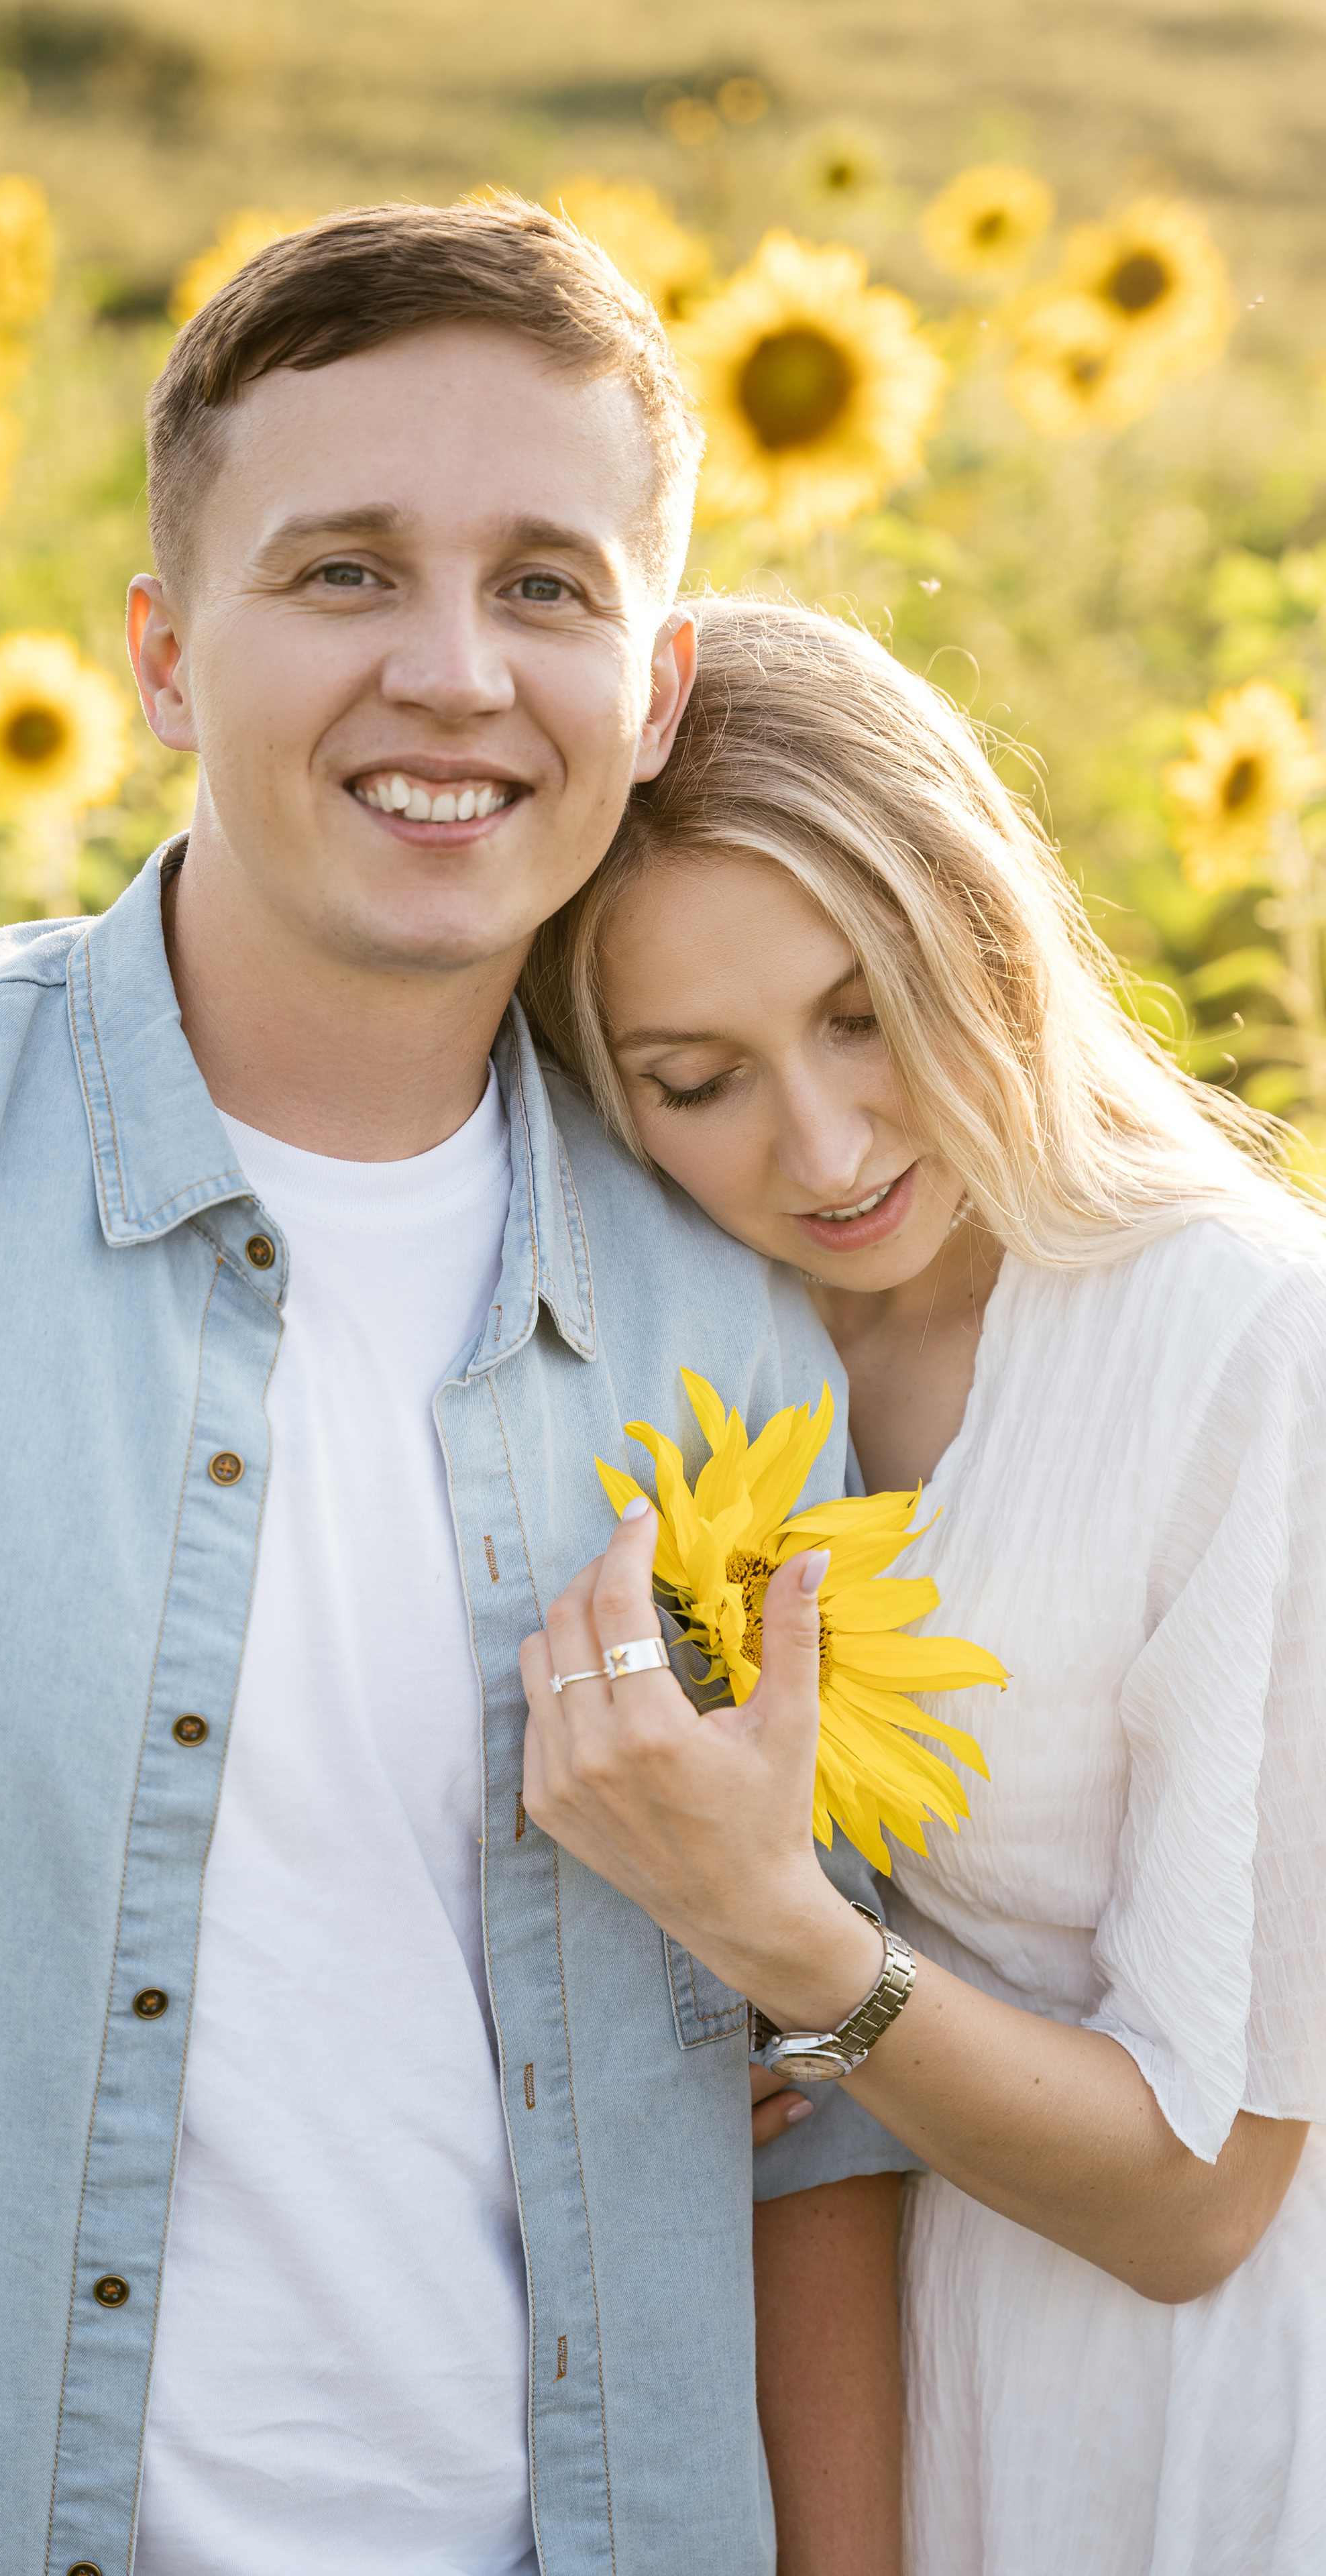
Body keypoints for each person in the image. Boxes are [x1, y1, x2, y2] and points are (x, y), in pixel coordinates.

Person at [0, 209, 919, 2576]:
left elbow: (813, 2126)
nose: (451, 673)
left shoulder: (733, 1330)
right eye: (340, 574)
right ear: (162, 655)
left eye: (544, 584)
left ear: (656, 680)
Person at [518, 591, 1326, 2575]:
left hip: (1200, 2417)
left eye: (863, 1009)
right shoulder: (690, 1357)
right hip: (892, 2395)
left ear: (980, 917)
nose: (826, 1140)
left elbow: (1198, 2197)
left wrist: (791, 1957)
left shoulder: (1244, 1348)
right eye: (695, 1078)